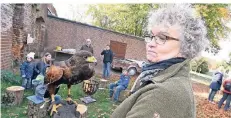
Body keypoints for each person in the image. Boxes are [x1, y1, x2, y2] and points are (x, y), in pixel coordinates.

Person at [111, 4, 208, 118]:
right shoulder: (162, 77)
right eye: (151, 36)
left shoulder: (162, 93)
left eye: (162, 38)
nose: (151, 44)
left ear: (186, 46)